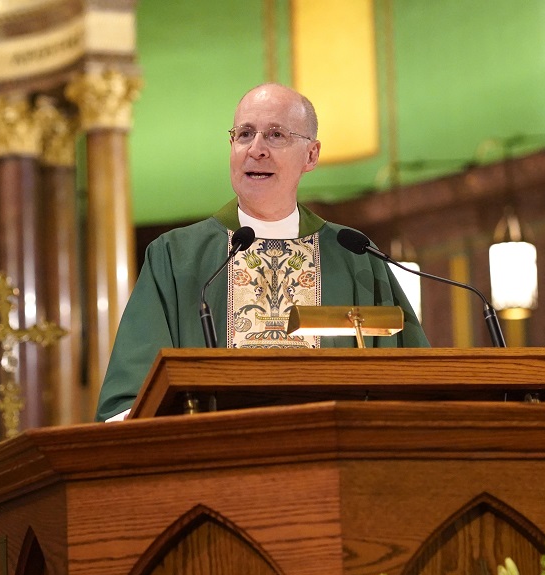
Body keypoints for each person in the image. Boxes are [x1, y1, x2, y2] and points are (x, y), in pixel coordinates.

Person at [96, 82, 428, 421]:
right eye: (244, 134)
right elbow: (131, 403)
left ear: (311, 155)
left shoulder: (354, 255)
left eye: (275, 135)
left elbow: (415, 388)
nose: (256, 149)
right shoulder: (176, 257)